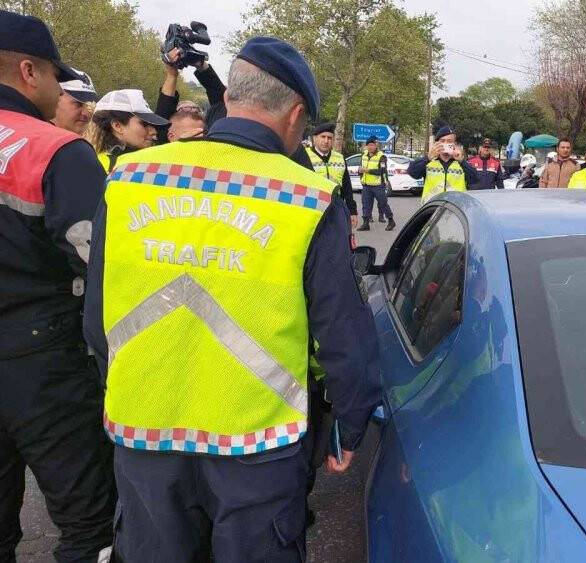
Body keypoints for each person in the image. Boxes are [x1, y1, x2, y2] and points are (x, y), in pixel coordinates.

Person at [82, 36, 381, 561]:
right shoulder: (306, 196)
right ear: (296, 115)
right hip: (258, 442)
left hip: (144, 429)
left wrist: (122, 385)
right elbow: (340, 332)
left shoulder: (131, 177)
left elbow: (96, 314)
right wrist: (351, 423)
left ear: (231, 96)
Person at [0, 11, 116, 562]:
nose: (58, 89)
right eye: (54, 75)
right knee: (88, 525)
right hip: (44, 362)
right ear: (29, 72)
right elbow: (103, 267)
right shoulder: (57, 150)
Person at [155, 46, 227, 144]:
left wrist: (201, 64)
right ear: (170, 136)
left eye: (196, 110)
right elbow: (164, 110)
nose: (190, 110)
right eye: (183, 109)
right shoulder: (161, 148)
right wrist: (171, 74)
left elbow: (221, 103)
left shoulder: (213, 143)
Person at [90, 89, 168, 172]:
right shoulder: (103, 166)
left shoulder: (93, 159)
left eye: (152, 125)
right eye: (144, 124)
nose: (153, 131)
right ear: (117, 126)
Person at [407, 125, 479, 202]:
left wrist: (461, 161)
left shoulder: (461, 163)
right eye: (442, 141)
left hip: (455, 206)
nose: (445, 144)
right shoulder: (429, 161)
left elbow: (475, 179)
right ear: (437, 143)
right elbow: (412, 172)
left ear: (455, 144)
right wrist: (428, 158)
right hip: (432, 206)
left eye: (449, 141)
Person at [307, 122, 358, 229]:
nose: (326, 141)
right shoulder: (304, 156)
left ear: (333, 140)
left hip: (336, 206)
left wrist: (352, 211)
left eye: (329, 138)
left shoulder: (340, 158)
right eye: (323, 137)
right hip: (312, 205)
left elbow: (347, 187)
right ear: (315, 138)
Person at [358, 135, 395, 231]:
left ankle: (391, 221)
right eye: (368, 145)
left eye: (372, 145)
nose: (370, 147)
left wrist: (368, 171)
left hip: (378, 185)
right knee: (366, 204)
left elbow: (382, 170)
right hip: (366, 185)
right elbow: (361, 167)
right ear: (366, 146)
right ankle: (366, 224)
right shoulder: (364, 155)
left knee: (383, 203)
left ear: (376, 145)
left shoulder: (381, 156)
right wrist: (360, 173)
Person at [51, 67, 96, 134]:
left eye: (89, 105)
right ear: (54, 99)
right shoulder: (37, 137)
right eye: (78, 104)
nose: (86, 113)